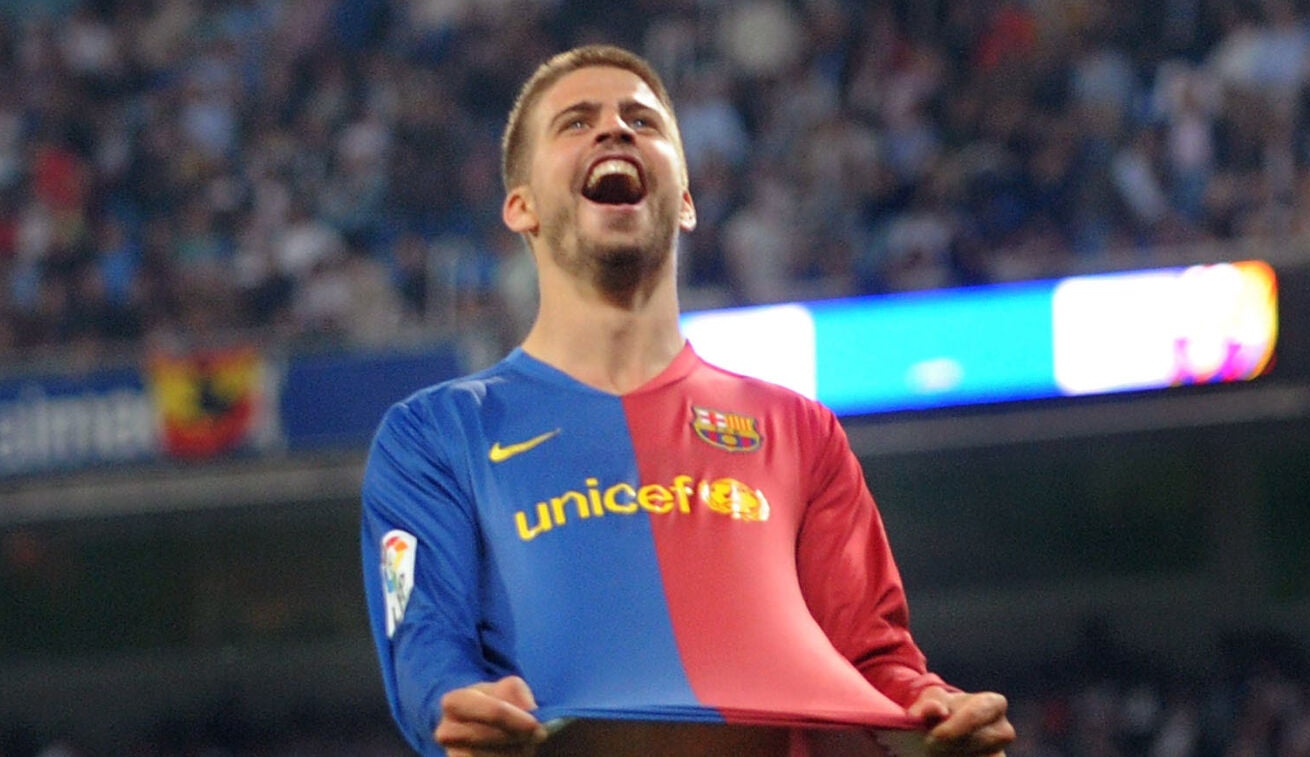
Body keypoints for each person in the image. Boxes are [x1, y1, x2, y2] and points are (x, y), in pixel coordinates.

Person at [361, 45, 1015, 757]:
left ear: (688, 201)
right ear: (520, 207)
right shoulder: (436, 434)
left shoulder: (799, 432)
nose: (614, 130)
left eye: (641, 121)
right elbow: (425, 640)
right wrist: (451, 702)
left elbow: (873, 657)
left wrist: (937, 707)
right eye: (576, 122)